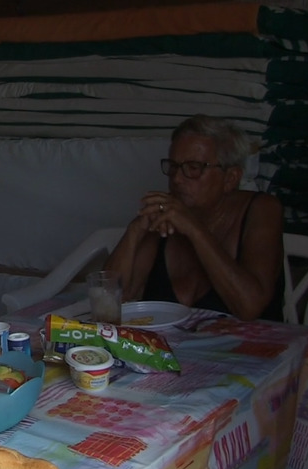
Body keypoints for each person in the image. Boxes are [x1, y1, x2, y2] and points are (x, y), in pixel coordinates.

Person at [104, 115, 284, 321]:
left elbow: (250, 307)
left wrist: (194, 229)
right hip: (171, 343)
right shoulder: (165, 217)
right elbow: (109, 302)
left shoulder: (262, 208)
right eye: (173, 166)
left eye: (194, 168)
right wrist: (135, 231)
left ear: (230, 178)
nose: (177, 179)